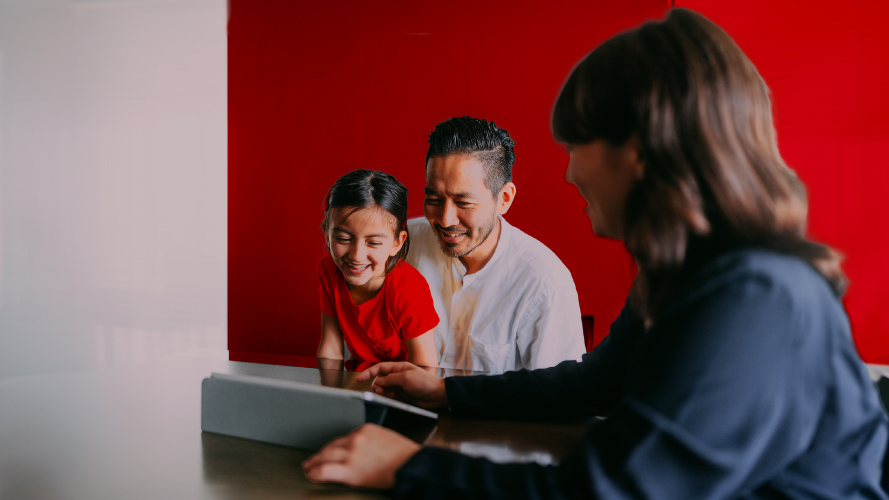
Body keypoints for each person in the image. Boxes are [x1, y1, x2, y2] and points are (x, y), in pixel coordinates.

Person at [303, 9, 889, 499]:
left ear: (639, 151)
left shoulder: (754, 295)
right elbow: (591, 385)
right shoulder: (684, 275)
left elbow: (619, 490)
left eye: (578, 144)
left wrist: (409, 469)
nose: (569, 168)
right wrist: (447, 391)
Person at [405, 116, 586, 374]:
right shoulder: (402, 245)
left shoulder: (545, 283)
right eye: (433, 199)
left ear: (504, 199)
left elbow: (558, 400)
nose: (445, 219)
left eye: (463, 202)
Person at [316, 169, 439, 367]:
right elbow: (330, 348)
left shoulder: (410, 289)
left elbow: (425, 368)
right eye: (343, 239)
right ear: (326, 233)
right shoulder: (328, 269)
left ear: (397, 243)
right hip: (358, 378)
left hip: (401, 387)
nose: (356, 255)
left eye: (373, 243)